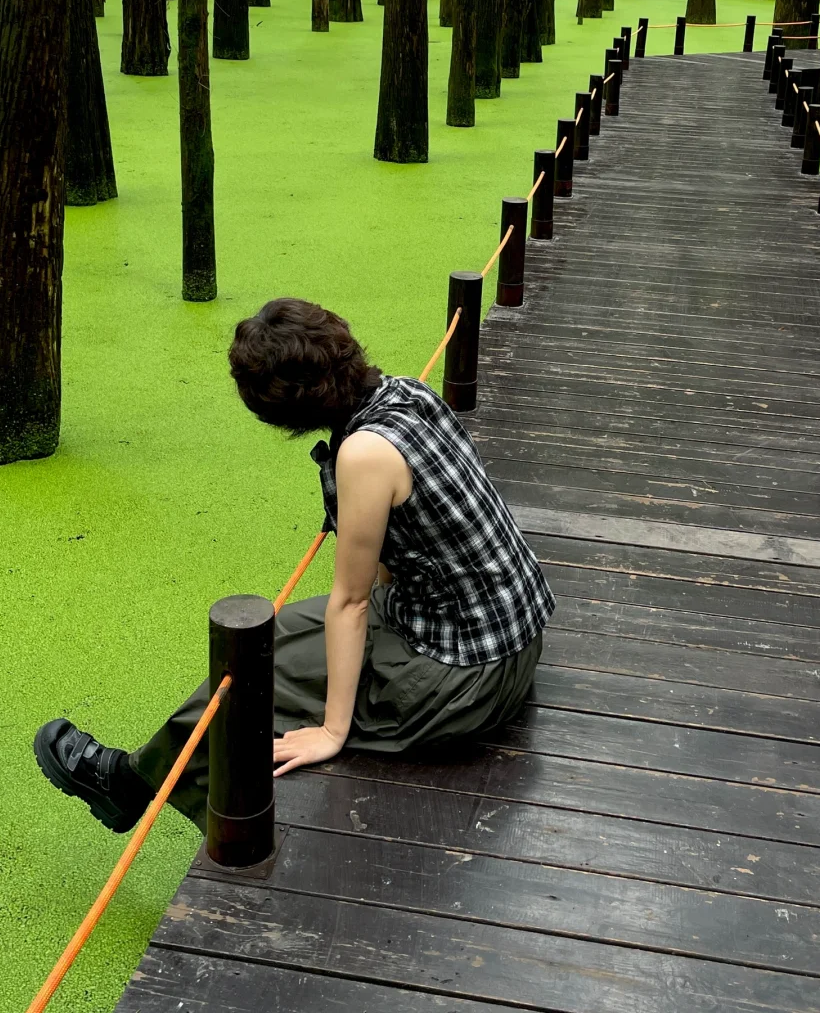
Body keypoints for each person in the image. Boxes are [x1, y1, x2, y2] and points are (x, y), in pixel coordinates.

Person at [34, 298, 555, 834]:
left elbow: (351, 604)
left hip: (471, 678)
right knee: (263, 642)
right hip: (504, 632)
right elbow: (405, 550)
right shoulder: (406, 393)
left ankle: (130, 785)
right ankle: (148, 776)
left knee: (256, 687)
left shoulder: (364, 454)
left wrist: (332, 731)